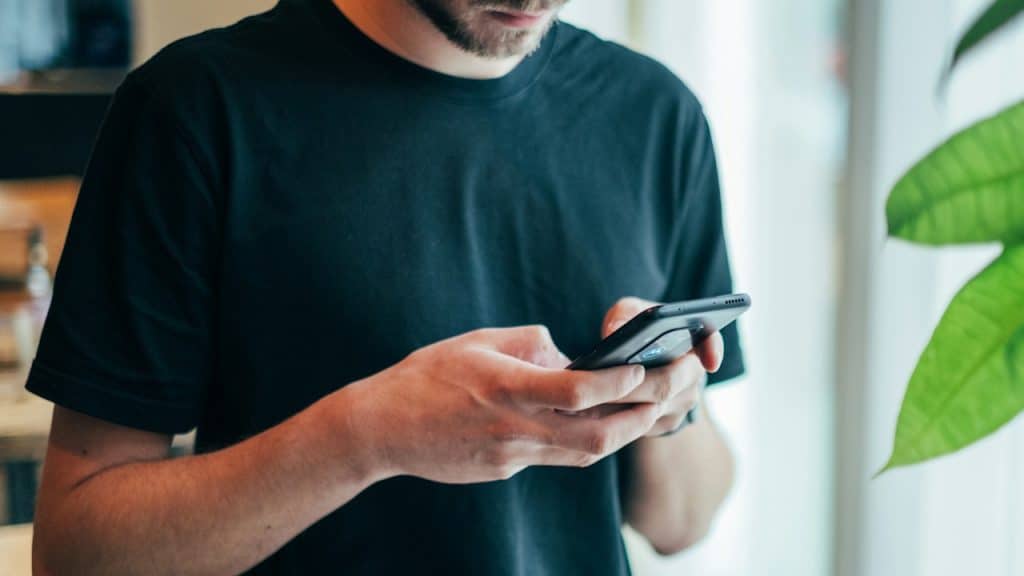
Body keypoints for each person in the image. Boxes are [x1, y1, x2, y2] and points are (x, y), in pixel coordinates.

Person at [27, 0, 745, 574]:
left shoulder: (657, 116)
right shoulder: (192, 109)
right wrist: (367, 437)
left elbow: (681, 523)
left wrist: (667, 409)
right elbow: (79, 554)